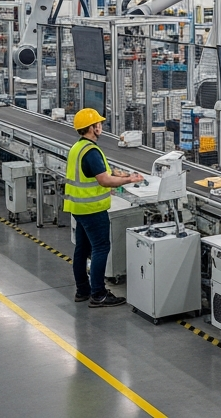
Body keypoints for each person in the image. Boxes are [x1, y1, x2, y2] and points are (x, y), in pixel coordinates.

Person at [65, 108, 142, 307]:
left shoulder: (78, 147)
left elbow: (100, 171)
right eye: (98, 124)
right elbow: (104, 180)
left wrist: (121, 175)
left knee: (82, 249)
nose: (101, 126)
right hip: (92, 209)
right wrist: (129, 180)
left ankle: (83, 290)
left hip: (78, 207)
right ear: (92, 128)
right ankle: (98, 294)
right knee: (101, 248)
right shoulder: (91, 151)